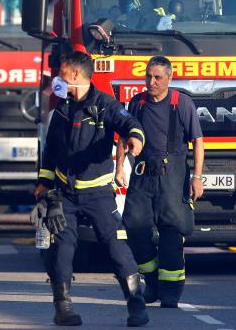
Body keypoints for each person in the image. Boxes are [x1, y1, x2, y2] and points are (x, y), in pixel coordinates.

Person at [34, 51, 149, 327]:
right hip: (65, 194)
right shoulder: (61, 109)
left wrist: (135, 140)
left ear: (75, 75)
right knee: (61, 248)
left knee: (116, 247)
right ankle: (63, 309)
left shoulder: (104, 105)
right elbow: (51, 152)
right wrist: (43, 183)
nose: (57, 79)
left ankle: (136, 304)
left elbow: (130, 124)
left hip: (98, 194)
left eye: (61, 73)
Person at [115, 55, 205, 309]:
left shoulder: (182, 103)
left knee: (171, 232)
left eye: (157, 77)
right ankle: (151, 282)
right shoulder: (136, 103)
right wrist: (119, 167)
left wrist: (197, 177)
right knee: (135, 228)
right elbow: (123, 136)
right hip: (142, 174)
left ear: (169, 78)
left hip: (173, 174)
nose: (151, 82)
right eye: (148, 76)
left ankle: (171, 291)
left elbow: (198, 141)